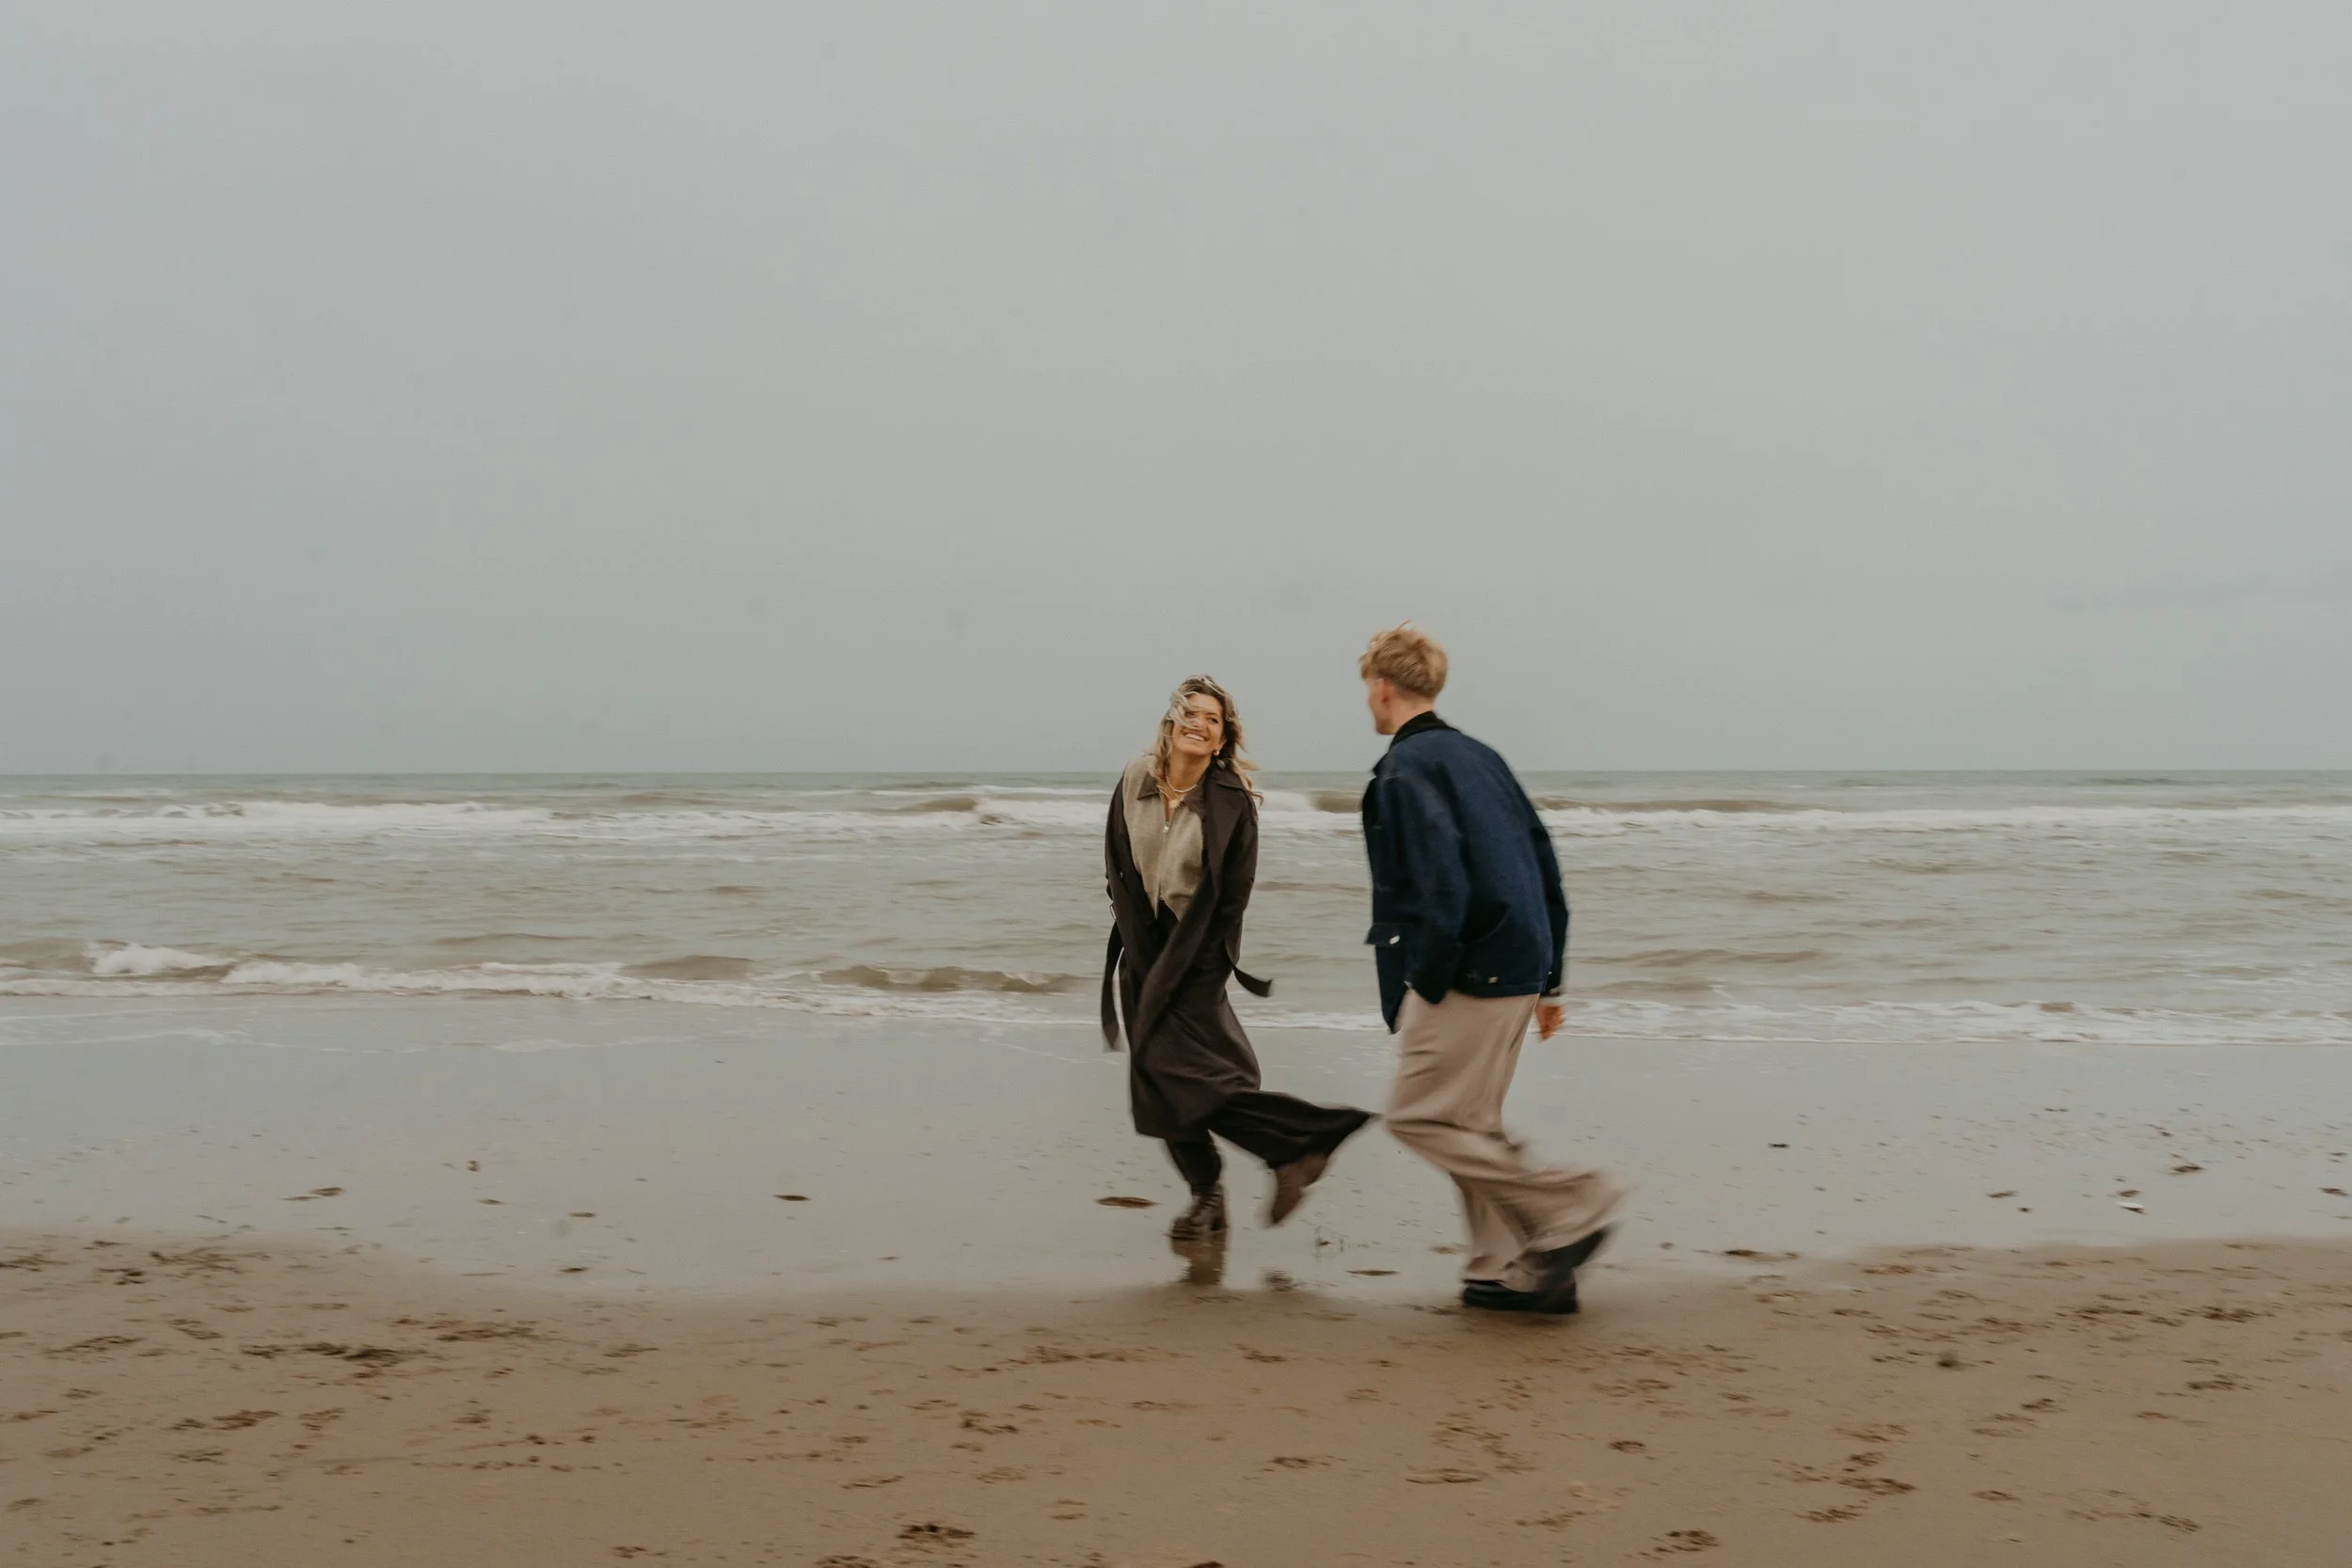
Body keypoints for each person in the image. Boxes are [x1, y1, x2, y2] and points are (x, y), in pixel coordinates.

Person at [1358, 626, 1624, 1314]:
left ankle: (1574, 1203)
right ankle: (1509, 1268)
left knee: (1417, 1118)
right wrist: (1551, 977)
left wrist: (1431, 974)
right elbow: (1544, 862)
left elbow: (1441, 881)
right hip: (1520, 960)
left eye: (1368, 687)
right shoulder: (1481, 757)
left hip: (1470, 970)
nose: (1369, 699)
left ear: (1381, 687)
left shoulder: (1407, 767)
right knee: (1471, 1123)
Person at [1103, 676, 1373, 1243]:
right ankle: (1229, 1185)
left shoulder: (1232, 803)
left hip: (1196, 952)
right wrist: (1132, 934)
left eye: (1214, 720)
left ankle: (1299, 1144)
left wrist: (1198, 965)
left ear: (1224, 737)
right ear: (1172, 720)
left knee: (1193, 1078)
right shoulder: (1134, 779)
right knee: (1158, 1082)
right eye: (1192, 713)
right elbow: (1117, 862)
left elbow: (1232, 897)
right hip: (1141, 948)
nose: (1200, 725)